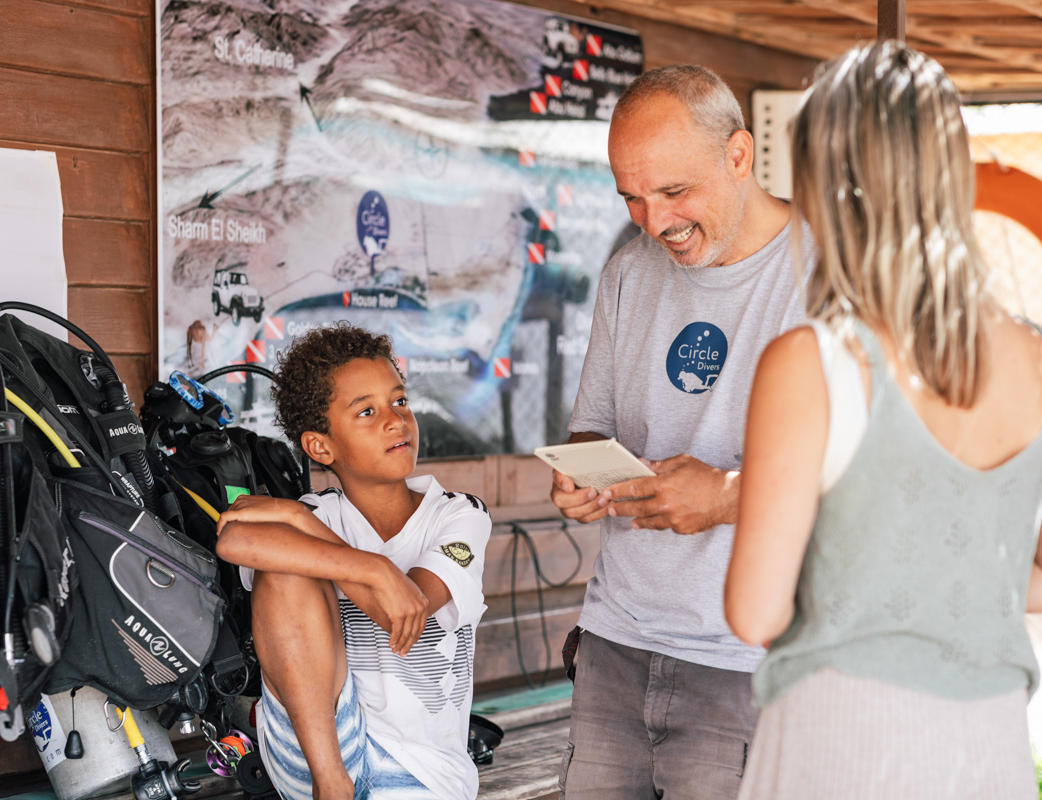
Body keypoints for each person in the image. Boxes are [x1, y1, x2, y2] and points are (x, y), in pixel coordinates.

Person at [724, 41, 1042, 799]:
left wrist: (868, 581)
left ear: (826, 185)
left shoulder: (813, 360)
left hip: (841, 740)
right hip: (991, 746)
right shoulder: (1041, 361)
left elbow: (755, 611)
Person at [551, 64, 812, 798]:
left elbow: (877, 475)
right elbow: (592, 428)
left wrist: (729, 496)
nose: (653, 221)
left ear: (739, 155)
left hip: (754, 657)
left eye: (673, 191)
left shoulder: (829, 274)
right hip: (614, 640)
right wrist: (580, 474)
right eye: (631, 198)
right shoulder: (628, 273)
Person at [215, 323, 492, 800]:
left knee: (298, 552)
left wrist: (299, 521)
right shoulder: (319, 512)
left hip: (422, 768)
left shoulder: (458, 514)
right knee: (284, 567)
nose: (396, 420)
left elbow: (401, 609)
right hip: (315, 751)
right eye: (367, 411)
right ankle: (333, 786)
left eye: (399, 401)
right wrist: (369, 566)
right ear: (321, 447)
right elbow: (235, 540)